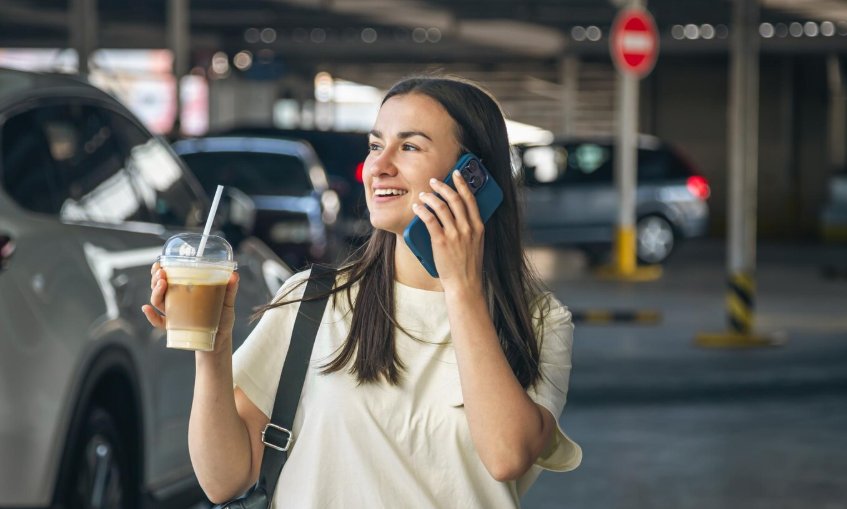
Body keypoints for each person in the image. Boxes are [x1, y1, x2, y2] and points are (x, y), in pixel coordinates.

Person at [142, 76, 581, 508]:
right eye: (375, 145)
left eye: (409, 146)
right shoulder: (314, 301)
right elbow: (224, 481)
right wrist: (213, 350)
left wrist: (461, 287)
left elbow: (506, 456)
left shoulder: (540, 321)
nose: (379, 165)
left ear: (473, 177)